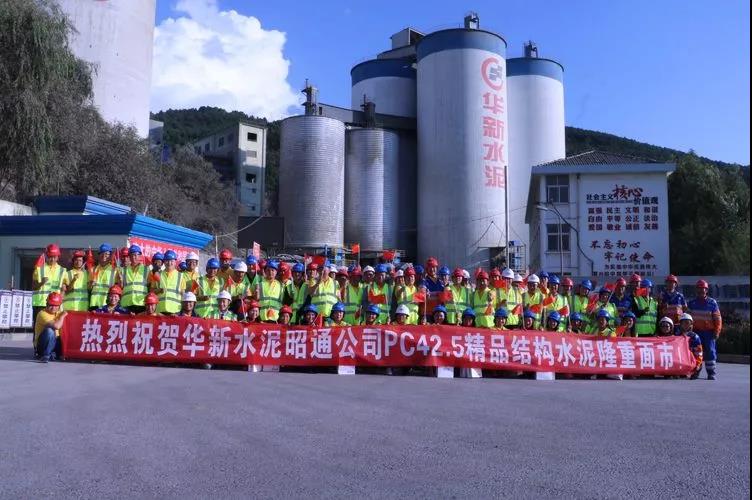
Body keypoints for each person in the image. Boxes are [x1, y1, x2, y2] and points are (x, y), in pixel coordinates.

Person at [687, 280, 722, 380]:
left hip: (709, 333)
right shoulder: (692, 303)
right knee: (695, 352)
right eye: (699, 288)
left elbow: (718, 319)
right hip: (695, 333)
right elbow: (687, 319)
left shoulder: (712, 303)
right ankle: (695, 371)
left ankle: (711, 373)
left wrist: (717, 331)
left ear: (706, 290)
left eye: (703, 289)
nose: (701, 290)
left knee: (710, 352)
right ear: (696, 290)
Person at [34, 292, 67, 363]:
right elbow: (56, 326)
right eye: (51, 305)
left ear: (59, 306)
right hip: (42, 345)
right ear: (47, 304)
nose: (53, 308)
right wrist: (62, 316)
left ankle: (56, 354)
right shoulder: (42, 314)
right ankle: (45, 355)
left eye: (56, 305)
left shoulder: (59, 313)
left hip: (55, 342)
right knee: (50, 330)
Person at [152, 250, 185, 316]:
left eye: (171, 261)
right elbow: (152, 292)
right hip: (160, 311)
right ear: (164, 262)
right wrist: (158, 290)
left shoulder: (180, 276)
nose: (169, 263)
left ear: (175, 262)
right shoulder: (157, 275)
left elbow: (183, 295)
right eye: (167, 261)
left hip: (175, 311)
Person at [89, 243, 120, 311]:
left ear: (110, 256)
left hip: (107, 304)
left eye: (106, 254)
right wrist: (90, 284)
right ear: (98, 255)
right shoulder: (93, 269)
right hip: (94, 303)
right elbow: (89, 288)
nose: (104, 256)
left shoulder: (115, 270)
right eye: (102, 253)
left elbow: (119, 287)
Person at [121, 244, 150, 314]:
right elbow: (121, 286)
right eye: (131, 255)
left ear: (140, 256)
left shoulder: (147, 269)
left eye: (135, 255)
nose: (133, 257)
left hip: (141, 303)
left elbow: (150, 286)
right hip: (126, 303)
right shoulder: (123, 270)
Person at [677, 313, 704, 380]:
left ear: (691, 324)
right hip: (681, 360)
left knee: (694, 375)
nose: (685, 325)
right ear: (680, 324)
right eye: (683, 323)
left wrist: (697, 364)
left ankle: (694, 370)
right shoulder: (677, 335)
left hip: (692, 359)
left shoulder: (695, 337)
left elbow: (699, 353)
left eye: (687, 323)